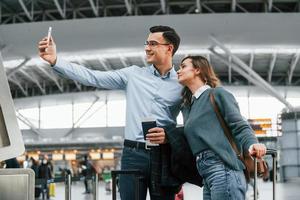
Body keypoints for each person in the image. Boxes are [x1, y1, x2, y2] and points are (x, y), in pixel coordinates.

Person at [38, 25, 182, 200]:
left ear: (169, 48)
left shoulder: (182, 83)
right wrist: (56, 61)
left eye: (153, 43)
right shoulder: (133, 75)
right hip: (133, 154)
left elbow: (192, 122)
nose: (147, 48)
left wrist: (170, 136)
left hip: (164, 154)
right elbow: (93, 77)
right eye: (146, 43)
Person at [176, 55, 267, 200]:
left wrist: (252, 143)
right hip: (205, 174)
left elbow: (239, 125)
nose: (178, 70)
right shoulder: (189, 107)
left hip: (223, 168)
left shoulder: (216, 94)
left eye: (183, 66)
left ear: (198, 70)